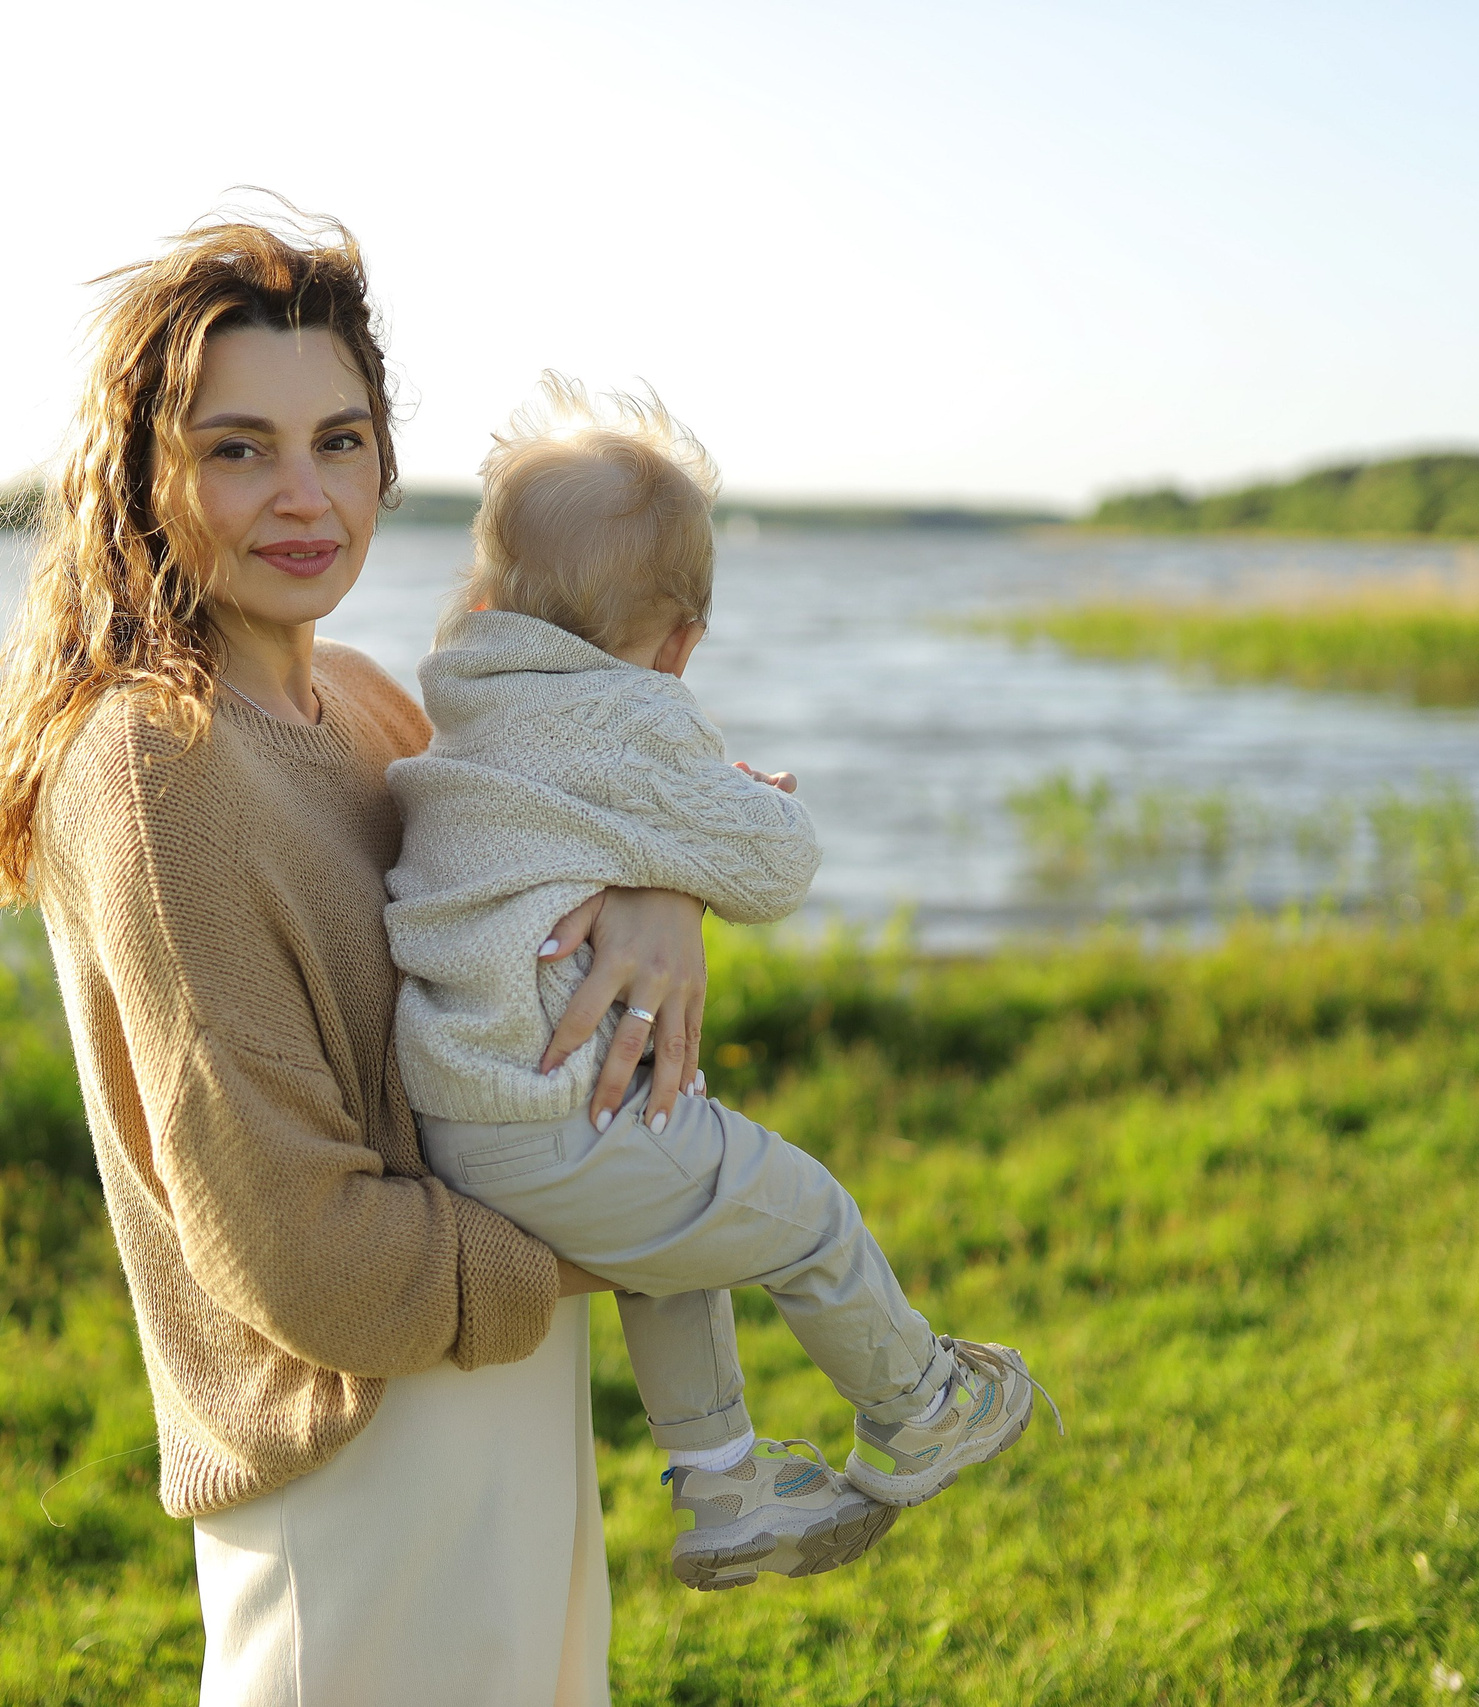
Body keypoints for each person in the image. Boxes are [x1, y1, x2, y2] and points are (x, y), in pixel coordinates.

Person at [0, 216, 718, 1705]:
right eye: (239, 450)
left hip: (500, 1378)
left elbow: (578, 858)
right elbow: (300, 1250)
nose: (303, 496)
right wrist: (626, 1234)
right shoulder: (151, 774)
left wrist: (666, 895)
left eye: (338, 440)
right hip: (352, 1447)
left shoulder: (364, 699)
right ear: (145, 477)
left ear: (382, 464)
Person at [386, 378, 1056, 1593]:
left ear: (484, 603)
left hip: (462, 1117)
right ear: (680, 642)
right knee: (808, 1213)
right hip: (559, 1119)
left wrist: (663, 849)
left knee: (674, 1238)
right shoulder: (638, 713)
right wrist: (750, 803)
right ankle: (916, 1407)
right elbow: (773, 864)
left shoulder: (462, 704)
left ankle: (727, 1485)